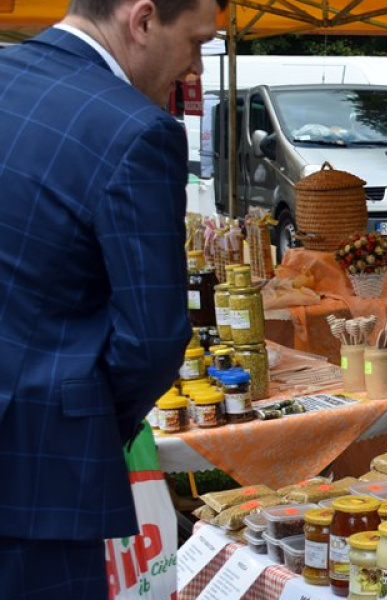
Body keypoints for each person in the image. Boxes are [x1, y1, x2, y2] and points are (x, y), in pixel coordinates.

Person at [0, 0, 220, 595]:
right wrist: (94, 423)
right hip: (40, 475)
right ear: (143, 21)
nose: (197, 69)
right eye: (197, 41)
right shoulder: (136, 129)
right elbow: (152, 338)